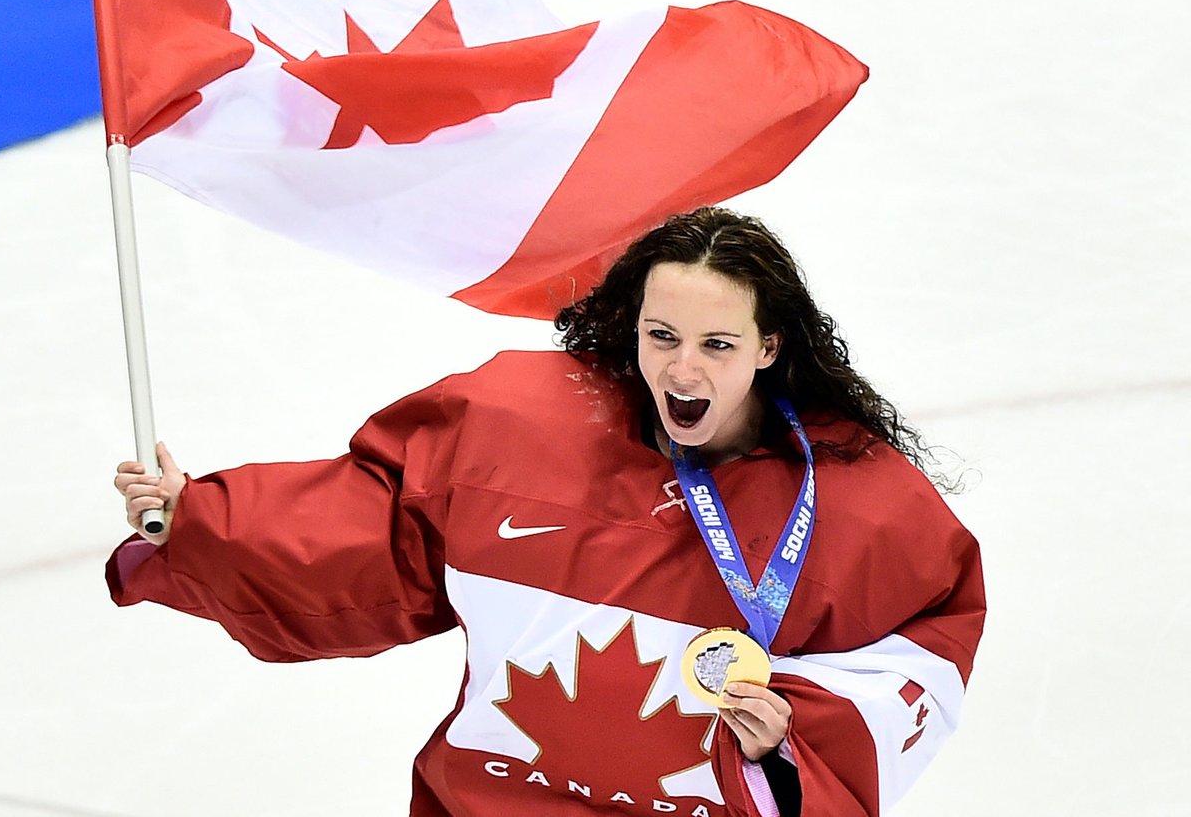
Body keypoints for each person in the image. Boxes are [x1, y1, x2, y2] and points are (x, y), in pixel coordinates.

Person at [112, 207, 984, 817]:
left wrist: (782, 745)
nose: (684, 370)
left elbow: (922, 647)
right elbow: (368, 529)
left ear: (768, 345)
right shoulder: (515, 432)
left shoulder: (856, 505)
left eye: (717, 344)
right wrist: (201, 519)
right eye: (662, 335)